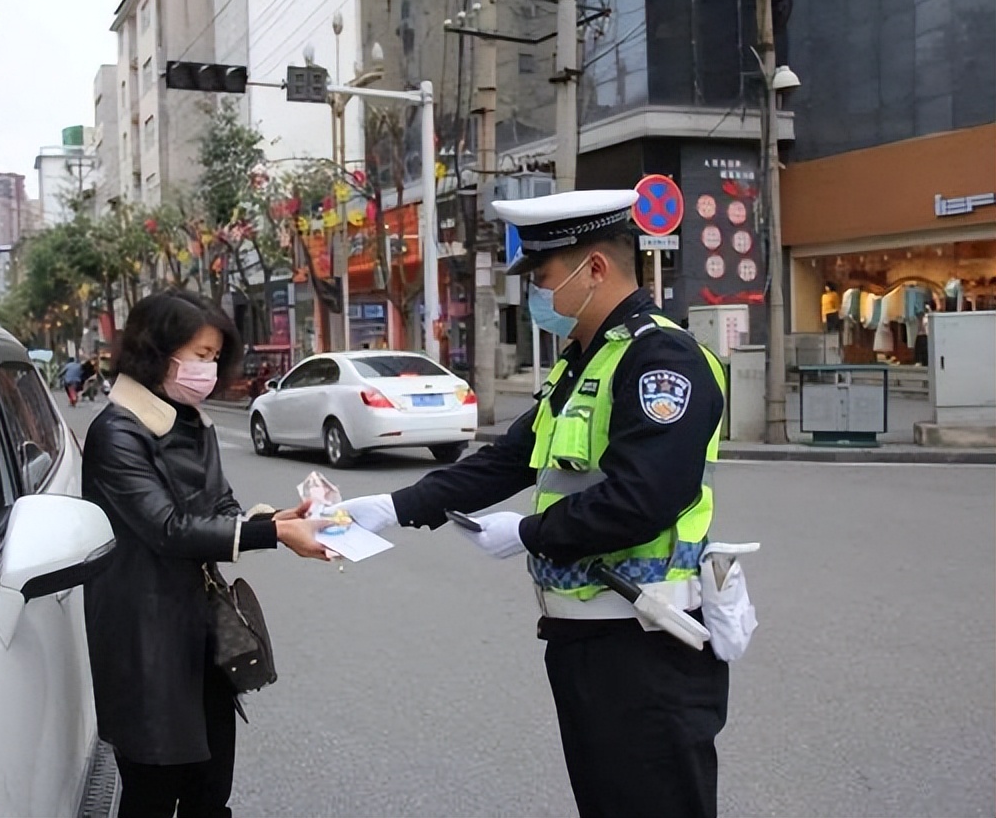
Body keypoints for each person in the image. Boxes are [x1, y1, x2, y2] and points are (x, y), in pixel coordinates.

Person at [336, 190, 731, 818]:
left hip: (646, 643)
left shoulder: (662, 359)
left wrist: (528, 532)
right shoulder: (582, 360)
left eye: (543, 278)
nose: (535, 297)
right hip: (586, 641)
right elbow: (508, 458)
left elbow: (644, 498)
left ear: (595, 269)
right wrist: (393, 505)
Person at [80, 290, 334, 818]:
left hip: (204, 632)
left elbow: (220, 506)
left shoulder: (194, 420)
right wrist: (276, 536)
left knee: (210, 789)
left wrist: (276, 520)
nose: (209, 369)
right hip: (145, 638)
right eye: (199, 355)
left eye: (215, 356)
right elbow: (167, 528)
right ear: (158, 352)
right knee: (152, 790)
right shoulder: (117, 433)